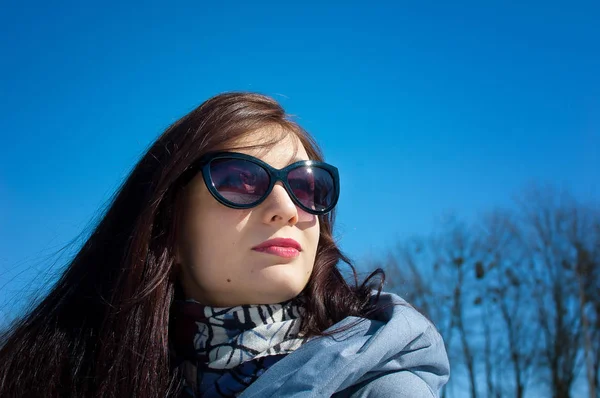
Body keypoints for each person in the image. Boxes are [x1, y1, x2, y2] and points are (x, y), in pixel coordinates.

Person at [0, 92, 449, 397]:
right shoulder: (46, 373)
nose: (287, 208)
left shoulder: (379, 389)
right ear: (166, 224)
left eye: (306, 186)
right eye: (238, 180)